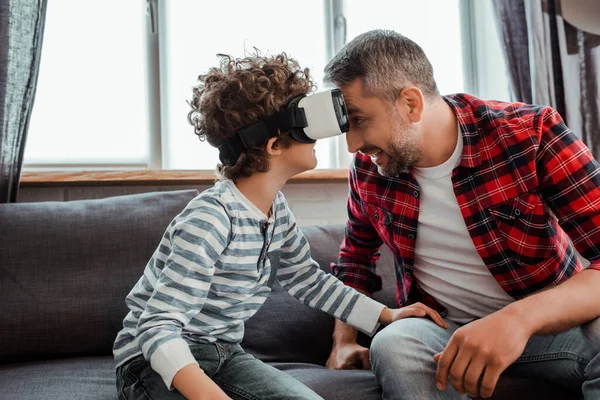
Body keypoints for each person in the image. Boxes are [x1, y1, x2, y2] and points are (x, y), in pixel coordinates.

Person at [112, 52, 446, 400]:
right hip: (151, 361)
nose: (323, 136)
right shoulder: (211, 218)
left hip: (224, 354)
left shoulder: (277, 212)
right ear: (274, 145)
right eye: (305, 125)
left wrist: (385, 315)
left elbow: (306, 279)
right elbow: (156, 326)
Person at [323, 29, 600, 399]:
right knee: (394, 343)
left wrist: (515, 320)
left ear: (410, 103)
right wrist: (343, 340)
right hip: (443, 333)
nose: (353, 144)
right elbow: (355, 258)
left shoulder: (529, 134)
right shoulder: (370, 169)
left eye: (358, 120)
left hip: (544, 328)